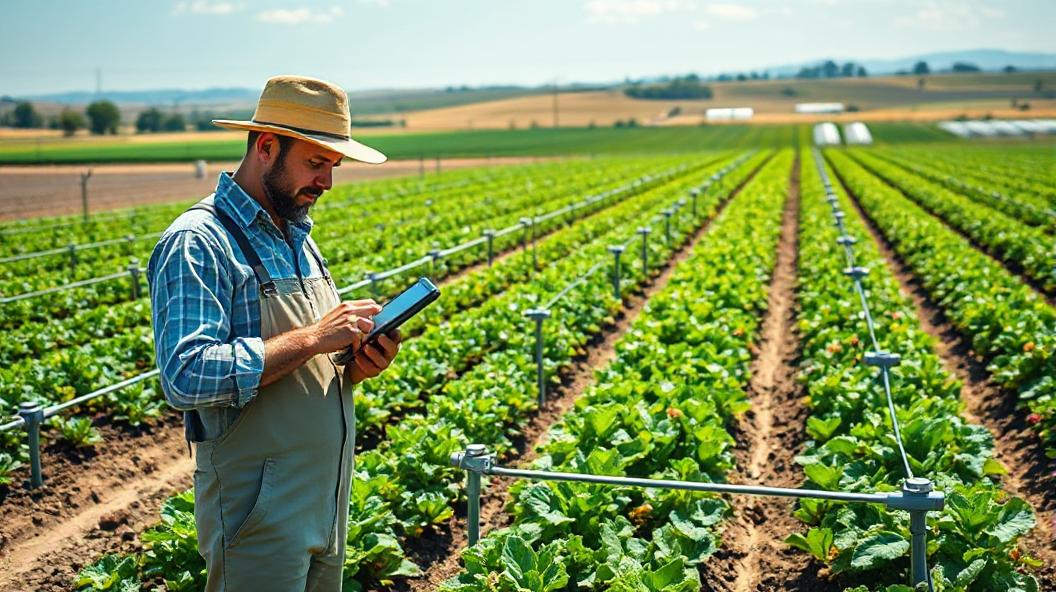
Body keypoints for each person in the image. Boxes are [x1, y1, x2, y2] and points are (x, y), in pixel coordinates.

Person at [147, 75, 399, 591]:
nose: (326, 182)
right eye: (315, 163)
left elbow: (309, 360)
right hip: (256, 507)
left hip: (324, 496)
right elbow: (186, 376)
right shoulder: (199, 242)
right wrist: (312, 338)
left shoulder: (298, 235)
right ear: (266, 147)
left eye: (333, 166)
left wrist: (355, 365)